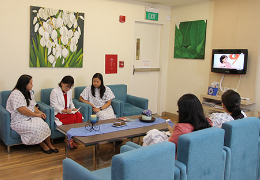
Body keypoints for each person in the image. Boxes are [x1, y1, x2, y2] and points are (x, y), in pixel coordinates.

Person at [6, 74, 58, 154]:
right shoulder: (16, 93)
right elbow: (22, 110)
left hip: (31, 117)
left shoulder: (29, 92)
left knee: (44, 125)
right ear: (24, 84)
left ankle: (49, 144)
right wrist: (37, 115)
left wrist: (40, 112)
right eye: (30, 83)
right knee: (35, 129)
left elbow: (33, 106)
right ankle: (43, 145)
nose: (32, 85)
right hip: (19, 120)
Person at [50, 75, 82, 149]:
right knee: (72, 116)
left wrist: (73, 108)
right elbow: (53, 105)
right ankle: (69, 139)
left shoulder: (69, 91)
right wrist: (64, 110)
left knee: (79, 115)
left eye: (70, 87)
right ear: (62, 83)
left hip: (68, 112)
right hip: (58, 112)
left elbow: (70, 102)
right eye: (66, 86)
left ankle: (75, 137)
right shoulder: (54, 91)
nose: (68, 89)